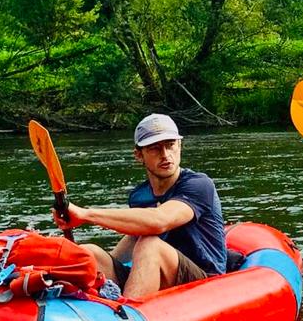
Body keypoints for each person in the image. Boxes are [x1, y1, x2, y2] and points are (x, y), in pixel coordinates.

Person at [57, 114, 227, 299]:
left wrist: (85, 214)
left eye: (170, 145)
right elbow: (136, 235)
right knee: (92, 253)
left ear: (179, 146)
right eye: (155, 148)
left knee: (150, 245)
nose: (165, 155)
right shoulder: (140, 195)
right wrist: (105, 262)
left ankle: (128, 319)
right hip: (163, 272)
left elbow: (159, 221)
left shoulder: (199, 185)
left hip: (204, 279)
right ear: (139, 155)